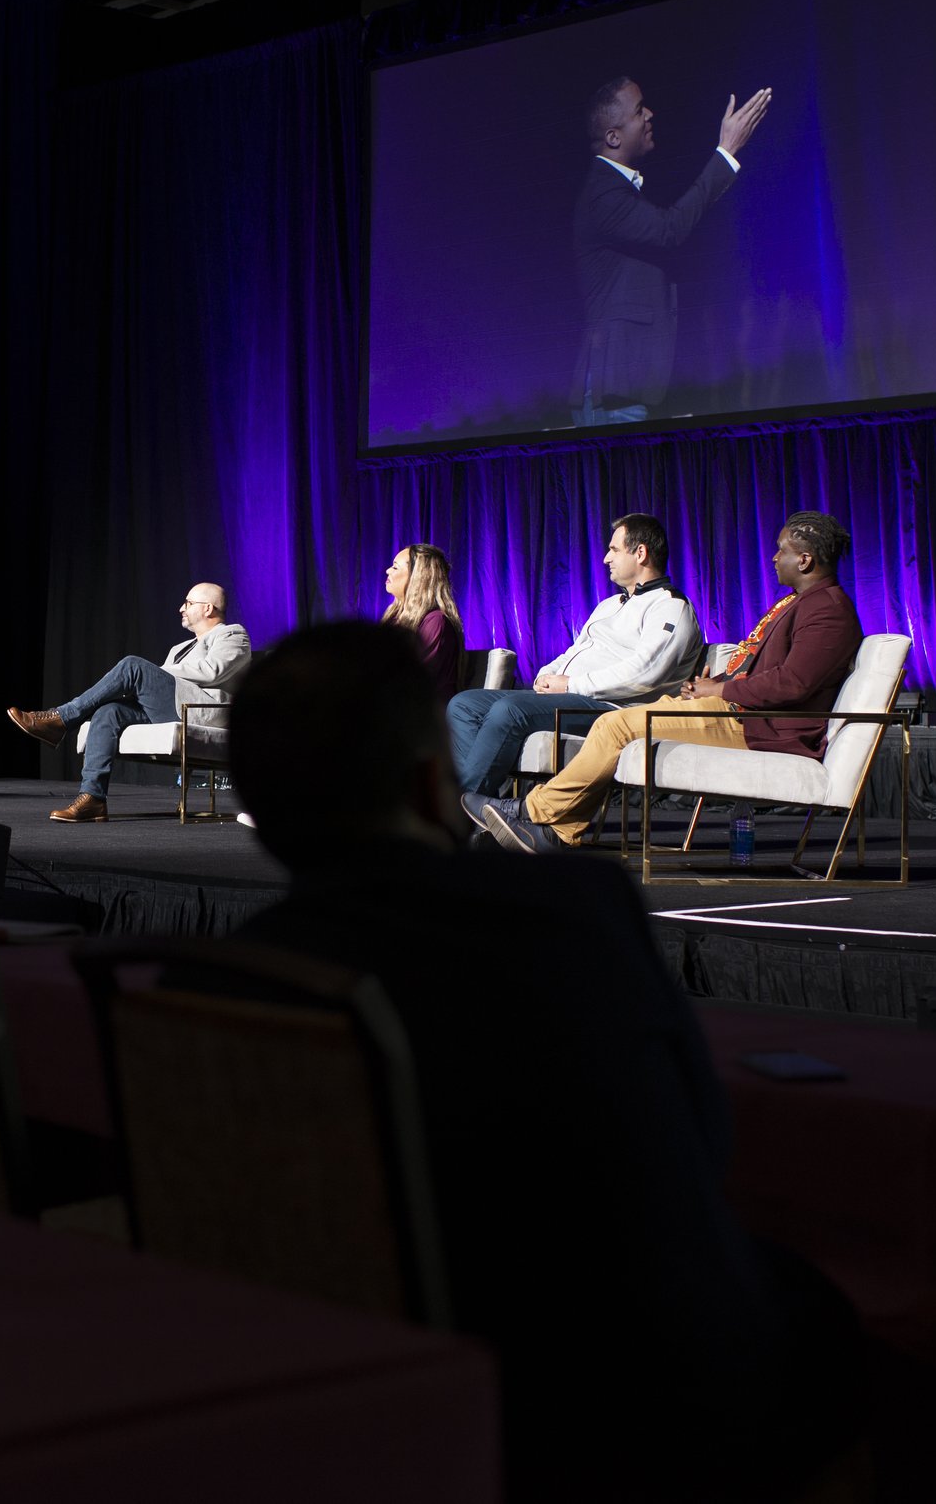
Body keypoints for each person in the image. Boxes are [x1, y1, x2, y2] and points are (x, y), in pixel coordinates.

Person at [229, 622, 860, 1500]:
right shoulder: (573, 914)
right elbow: (701, 1144)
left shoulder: (239, 973)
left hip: (365, 1390)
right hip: (620, 1402)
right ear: (429, 779)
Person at [472, 511, 861, 853]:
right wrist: (714, 682)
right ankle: (555, 832)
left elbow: (792, 684)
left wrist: (721, 690)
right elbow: (766, 672)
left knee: (617, 723)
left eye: (782, 550)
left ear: (805, 559)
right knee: (616, 725)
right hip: (738, 711)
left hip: (759, 727)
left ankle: (531, 810)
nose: (775, 557)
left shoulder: (828, 610)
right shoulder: (800, 602)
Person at [446, 513, 702, 797]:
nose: (606, 558)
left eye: (614, 549)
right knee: (464, 704)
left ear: (640, 553)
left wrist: (569, 685)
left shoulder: (670, 606)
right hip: (569, 697)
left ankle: (464, 811)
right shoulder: (609, 604)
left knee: (509, 710)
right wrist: (546, 674)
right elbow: (575, 651)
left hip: (613, 710)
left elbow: (646, 672)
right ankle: (483, 804)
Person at [572, 78, 772, 423]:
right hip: (615, 396)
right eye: (638, 111)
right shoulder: (603, 194)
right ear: (613, 137)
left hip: (631, 390)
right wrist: (726, 152)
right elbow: (670, 229)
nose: (650, 114)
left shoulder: (617, 190)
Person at [7, 582, 250, 823]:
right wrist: (154, 676)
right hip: (173, 706)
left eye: (188, 603)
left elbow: (212, 671)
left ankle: (60, 719)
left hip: (199, 711)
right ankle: (92, 797)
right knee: (109, 711)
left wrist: (156, 673)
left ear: (208, 608)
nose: (181, 608)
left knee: (133, 666)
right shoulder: (180, 648)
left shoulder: (232, 634)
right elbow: (168, 681)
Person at [379, 543, 464, 701]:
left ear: (418, 577)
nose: (387, 570)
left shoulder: (436, 621)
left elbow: (411, 679)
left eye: (395, 567)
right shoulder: (394, 618)